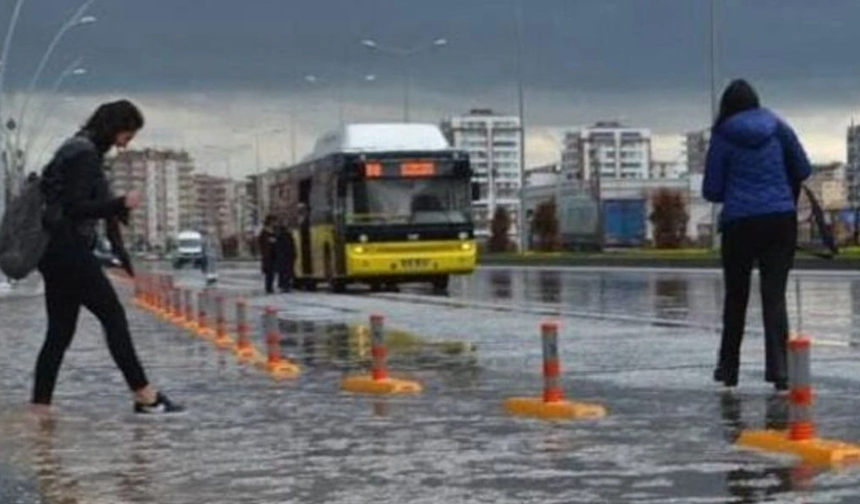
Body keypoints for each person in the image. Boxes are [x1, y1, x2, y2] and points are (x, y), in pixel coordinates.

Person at [34, 100, 184, 414]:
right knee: (113, 317)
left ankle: (39, 409)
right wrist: (120, 202)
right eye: (127, 135)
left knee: (59, 332)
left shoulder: (77, 149)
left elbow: (94, 208)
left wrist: (121, 250)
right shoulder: (84, 154)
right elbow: (75, 208)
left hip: (55, 252)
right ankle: (144, 395)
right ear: (115, 127)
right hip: (69, 251)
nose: (126, 143)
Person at [703, 79, 811, 392]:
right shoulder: (778, 126)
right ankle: (780, 371)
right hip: (780, 220)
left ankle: (728, 368)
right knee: (774, 296)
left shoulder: (723, 135)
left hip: (739, 223)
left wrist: (736, 189)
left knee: (736, 296)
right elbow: (803, 169)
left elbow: (711, 190)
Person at [274, 218, 296, 292]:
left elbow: (276, 247)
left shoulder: (278, 236)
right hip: (287, 256)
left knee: (283, 272)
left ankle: (283, 284)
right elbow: (292, 246)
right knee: (287, 271)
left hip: (282, 257)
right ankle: (286, 284)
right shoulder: (288, 236)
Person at [258, 215, 278, 294]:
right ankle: (268, 288)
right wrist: (270, 241)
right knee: (269, 273)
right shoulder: (264, 232)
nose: (275, 223)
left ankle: (270, 287)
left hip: (273, 254)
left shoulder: (273, 231)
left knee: (272, 272)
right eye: (273, 221)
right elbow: (262, 243)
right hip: (268, 256)